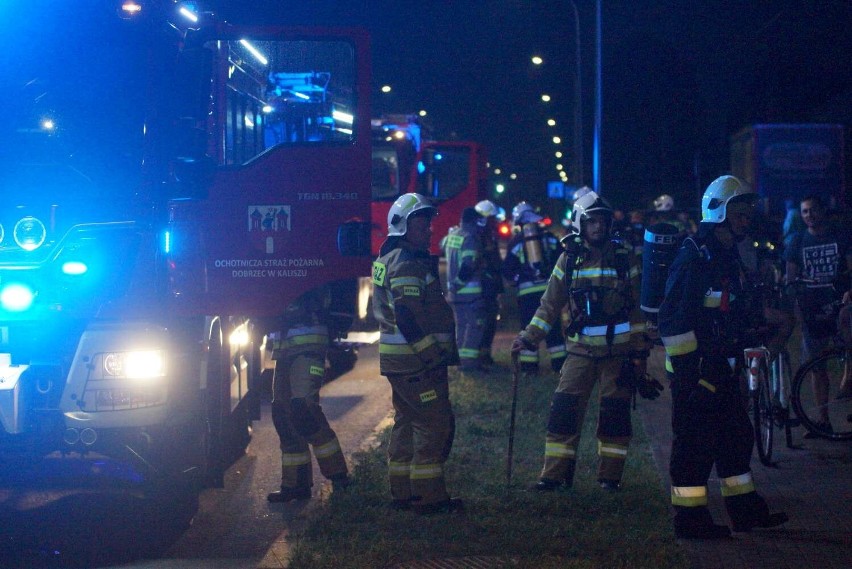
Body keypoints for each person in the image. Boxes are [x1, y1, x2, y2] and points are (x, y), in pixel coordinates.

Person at [658, 175, 788, 539]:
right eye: (738, 212)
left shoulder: (727, 254)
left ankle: (745, 511)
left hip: (721, 369)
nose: (745, 219)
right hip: (697, 374)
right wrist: (693, 374)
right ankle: (690, 521)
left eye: (747, 213)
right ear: (718, 212)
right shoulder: (695, 256)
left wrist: (752, 332)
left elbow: (728, 311)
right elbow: (672, 320)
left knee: (736, 438)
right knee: (693, 447)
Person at [512, 191, 656, 492]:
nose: (598, 228)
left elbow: (637, 307)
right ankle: (553, 477)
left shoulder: (624, 258)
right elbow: (549, 305)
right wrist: (528, 337)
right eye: (592, 222)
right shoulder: (569, 260)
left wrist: (640, 349)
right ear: (580, 224)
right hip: (580, 353)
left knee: (615, 418)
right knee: (564, 412)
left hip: (618, 355)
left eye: (602, 222)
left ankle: (609, 479)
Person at [372, 193, 462, 514]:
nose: (429, 229)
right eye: (421, 222)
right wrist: (431, 357)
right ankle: (429, 498)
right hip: (415, 362)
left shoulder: (392, 258)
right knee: (433, 421)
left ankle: (402, 493)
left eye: (429, 221)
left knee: (407, 421)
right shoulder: (406, 262)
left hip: (401, 363)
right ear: (402, 225)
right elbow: (408, 316)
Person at [267, 287, 350, 502]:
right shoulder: (276, 263)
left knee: (304, 408)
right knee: (283, 415)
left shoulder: (304, 261)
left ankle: (339, 476)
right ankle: (296, 484)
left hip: (308, 343)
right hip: (283, 348)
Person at [784, 194, 852, 432]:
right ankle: (823, 420)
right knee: (816, 366)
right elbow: (790, 278)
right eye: (804, 212)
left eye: (812, 210)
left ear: (822, 211)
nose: (809, 215)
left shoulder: (840, 236)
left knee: (847, 350)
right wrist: (794, 306)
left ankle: (847, 382)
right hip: (811, 308)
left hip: (839, 304)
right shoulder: (797, 241)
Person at [503, 202, 566, 374]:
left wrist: (517, 279)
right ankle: (560, 366)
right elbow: (561, 260)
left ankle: (529, 368)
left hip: (526, 293)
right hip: (548, 291)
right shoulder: (550, 238)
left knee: (528, 328)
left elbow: (508, 269)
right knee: (553, 327)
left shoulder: (516, 242)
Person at [444, 206, 488, 371]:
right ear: (472, 221)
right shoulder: (469, 238)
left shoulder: (452, 236)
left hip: (455, 294)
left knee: (461, 327)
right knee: (475, 326)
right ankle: (469, 365)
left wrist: (453, 288)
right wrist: (458, 284)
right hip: (469, 294)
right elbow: (468, 265)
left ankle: (460, 363)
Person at [475, 199, 505, 368]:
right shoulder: (478, 237)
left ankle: (485, 355)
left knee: (490, 323)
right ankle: (480, 357)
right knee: (483, 324)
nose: (494, 222)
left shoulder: (488, 236)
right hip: (483, 288)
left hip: (490, 287)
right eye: (492, 219)